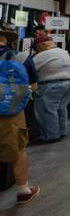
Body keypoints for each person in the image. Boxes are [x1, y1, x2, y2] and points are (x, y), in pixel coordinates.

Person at [0, 25, 40, 204]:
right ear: (6, 39)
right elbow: (33, 86)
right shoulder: (21, 57)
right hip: (10, 110)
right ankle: (23, 190)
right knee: (18, 148)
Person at [30, 36, 70, 144]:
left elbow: (28, 67)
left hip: (51, 85)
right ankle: (61, 131)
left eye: (37, 48)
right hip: (69, 83)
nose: (36, 51)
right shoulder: (62, 52)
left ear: (43, 45)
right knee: (61, 108)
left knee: (47, 111)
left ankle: (50, 135)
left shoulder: (43, 55)